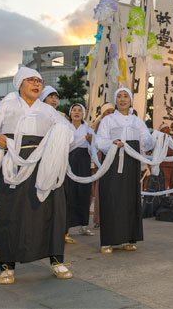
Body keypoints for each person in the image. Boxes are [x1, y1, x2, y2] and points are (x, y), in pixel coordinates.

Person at [0, 67, 73, 284]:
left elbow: (69, 133)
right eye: (30, 80)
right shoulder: (7, 105)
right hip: (13, 163)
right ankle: (7, 266)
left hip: (44, 164)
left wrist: (62, 133)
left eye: (38, 81)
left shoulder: (48, 110)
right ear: (20, 84)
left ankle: (56, 260)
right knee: (10, 211)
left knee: (52, 211)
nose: (36, 84)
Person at [95, 88, 154, 254]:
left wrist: (156, 138)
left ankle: (128, 238)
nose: (122, 100)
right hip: (113, 161)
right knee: (112, 198)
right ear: (115, 100)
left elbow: (146, 142)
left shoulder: (137, 121)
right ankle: (108, 240)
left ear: (131, 100)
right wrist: (113, 143)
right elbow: (100, 140)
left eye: (125, 96)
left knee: (130, 198)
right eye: (119, 96)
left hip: (132, 162)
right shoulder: (108, 120)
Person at [65, 103, 97, 243]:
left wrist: (90, 142)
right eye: (74, 110)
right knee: (69, 193)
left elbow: (93, 149)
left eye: (79, 110)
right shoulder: (65, 127)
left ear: (83, 114)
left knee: (84, 192)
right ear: (70, 113)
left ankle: (84, 225)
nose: (76, 113)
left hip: (83, 162)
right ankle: (65, 229)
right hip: (69, 161)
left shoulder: (88, 130)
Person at [91, 102, 115, 229]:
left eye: (112, 111)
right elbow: (96, 144)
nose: (110, 114)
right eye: (107, 112)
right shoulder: (100, 125)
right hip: (102, 158)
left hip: (115, 158)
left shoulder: (117, 123)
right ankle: (99, 219)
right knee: (102, 188)